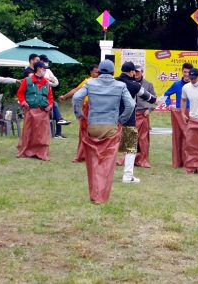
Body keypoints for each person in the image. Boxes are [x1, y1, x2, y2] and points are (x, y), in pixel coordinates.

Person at [72, 59, 135, 204]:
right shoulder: (120, 85)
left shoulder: (90, 83)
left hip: (93, 126)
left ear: (99, 71)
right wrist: (122, 119)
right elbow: (131, 104)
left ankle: (94, 192)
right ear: (113, 72)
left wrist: (79, 114)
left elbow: (76, 97)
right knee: (107, 163)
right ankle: (102, 194)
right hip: (110, 127)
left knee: (93, 161)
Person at [115, 62, 157, 183]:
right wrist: (155, 101)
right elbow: (150, 98)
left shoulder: (114, 81)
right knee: (131, 148)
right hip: (128, 120)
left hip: (112, 120)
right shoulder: (134, 85)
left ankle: (103, 173)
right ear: (132, 72)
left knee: (109, 146)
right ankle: (128, 176)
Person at [59, 64, 99, 163]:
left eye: (99, 72)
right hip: (88, 109)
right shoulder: (88, 82)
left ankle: (95, 155)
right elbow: (76, 90)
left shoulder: (104, 82)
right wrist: (65, 97)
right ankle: (82, 154)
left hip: (99, 110)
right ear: (91, 72)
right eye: (96, 72)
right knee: (85, 132)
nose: (98, 74)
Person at [16, 62, 54, 160]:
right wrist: (23, 102)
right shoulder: (27, 80)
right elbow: (20, 93)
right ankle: (26, 150)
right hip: (30, 110)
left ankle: (41, 152)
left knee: (43, 133)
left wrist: (50, 106)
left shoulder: (46, 83)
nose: (45, 70)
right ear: (38, 69)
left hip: (43, 111)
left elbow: (50, 97)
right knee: (28, 131)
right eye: (44, 68)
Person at [163, 62, 193, 168]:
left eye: (188, 72)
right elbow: (166, 94)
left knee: (190, 137)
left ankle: (190, 161)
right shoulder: (176, 84)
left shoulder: (195, 85)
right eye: (185, 72)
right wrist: (169, 104)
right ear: (182, 71)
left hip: (192, 114)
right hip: (179, 114)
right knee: (178, 137)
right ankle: (178, 161)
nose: (186, 74)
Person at [39, 54, 71, 138]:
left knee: (54, 105)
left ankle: (58, 130)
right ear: (40, 61)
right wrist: (49, 80)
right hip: (41, 97)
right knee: (54, 105)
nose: (46, 64)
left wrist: (49, 81)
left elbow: (56, 82)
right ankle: (58, 129)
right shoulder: (36, 71)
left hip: (48, 95)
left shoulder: (48, 71)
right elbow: (40, 81)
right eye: (45, 62)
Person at [133, 65, 156, 167]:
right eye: (134, 71)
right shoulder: (129, 83)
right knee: (131, 137)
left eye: (138, 71)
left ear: (142, 72)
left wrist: (149, 109)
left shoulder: (148, 84)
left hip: (143, 114)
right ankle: (130, 159)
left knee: (143, 139)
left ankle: (143, 159)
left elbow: (154, 100)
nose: (136, 73)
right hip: (131, 114)